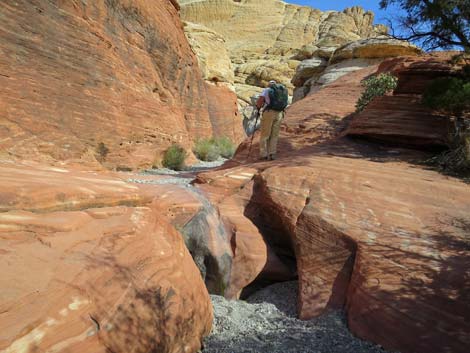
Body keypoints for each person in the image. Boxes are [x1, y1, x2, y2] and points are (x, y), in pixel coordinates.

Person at [256, 80, 288, 160]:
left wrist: (258, 107)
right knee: (274, 134)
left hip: (269, 113)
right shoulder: (283, 90)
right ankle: (272, 154)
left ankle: (264, 154)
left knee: (265, 134)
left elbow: (260, 101)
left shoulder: (267, 90)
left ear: (269, 85)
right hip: (280, 113)